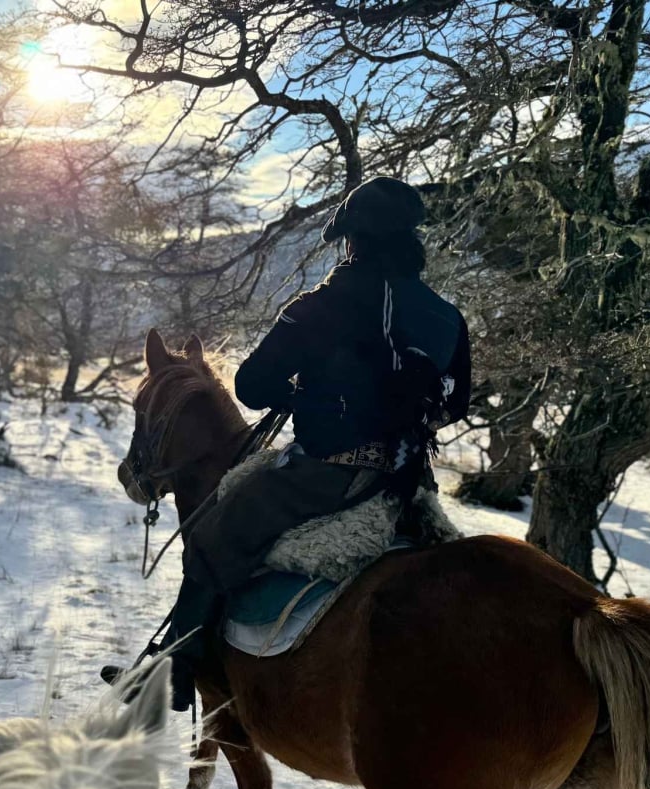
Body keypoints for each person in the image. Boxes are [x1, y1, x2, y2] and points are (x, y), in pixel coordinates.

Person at [120, 176, 472, 711]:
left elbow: (251, 386)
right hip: (405, 480)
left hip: (324, 475)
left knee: (215, 533)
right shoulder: (448, 317)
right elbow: (456, 403)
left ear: (351, 240)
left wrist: (307, 395)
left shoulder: (321, 304)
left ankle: (180, 668)